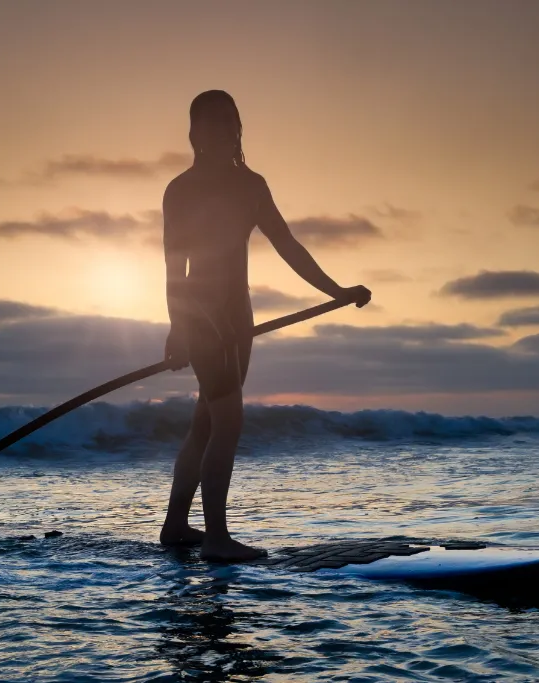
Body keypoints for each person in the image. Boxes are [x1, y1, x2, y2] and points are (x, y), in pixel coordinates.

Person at [159, 90, 372, 562]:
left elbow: (288, 245)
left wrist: (335, 291)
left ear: (237, 130)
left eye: (230, 124)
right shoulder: (181, 189)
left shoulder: (252, 185)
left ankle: (176, 525)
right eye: (211, 126)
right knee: (228, 421)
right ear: (195, 133)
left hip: (239, 312)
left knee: (206, 421)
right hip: (201, 314)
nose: (222, 133)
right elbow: (175, 265)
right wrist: (178, 329)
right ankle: (216, 538)